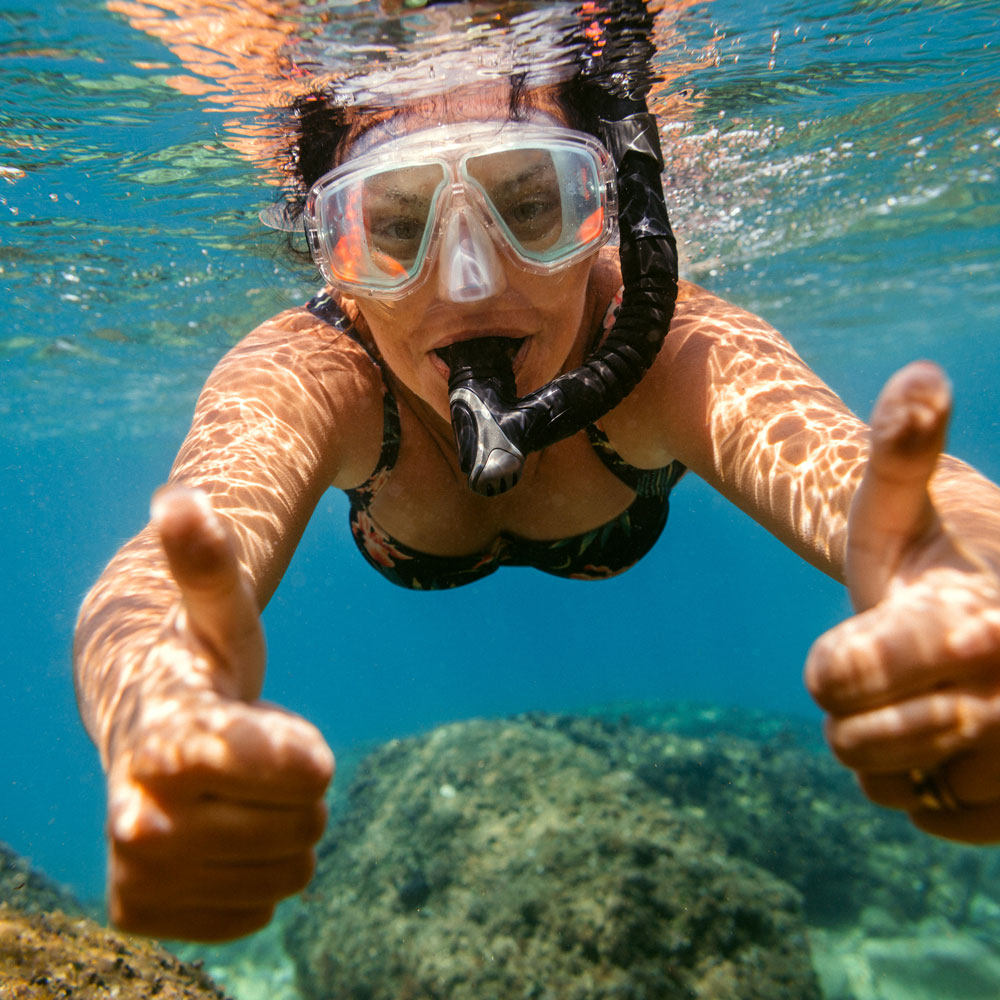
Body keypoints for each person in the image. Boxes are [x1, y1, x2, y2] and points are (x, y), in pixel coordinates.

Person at [75, 0, 1000, 943]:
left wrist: (965, 591)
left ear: (610, 213)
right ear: (331, 251)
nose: (469, 283)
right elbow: (155, 578)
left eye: (530, 206)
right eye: (394, 227)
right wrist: (157, 709)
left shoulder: (669, 348)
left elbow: (880, 486)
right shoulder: (317, 371)